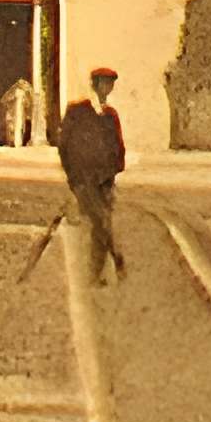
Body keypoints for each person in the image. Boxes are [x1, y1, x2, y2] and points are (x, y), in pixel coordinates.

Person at [56, 68, 130, 285]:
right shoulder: (77, 111)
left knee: (102, 224)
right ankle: (112, 263)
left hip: (104, 181)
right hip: (84, 180)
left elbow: (118, 147)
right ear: (95, 84)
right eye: (104, 83)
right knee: (100, 222)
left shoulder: (111, 115)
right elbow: (64, 145)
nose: (108, 88)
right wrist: (73, 177)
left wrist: (113, 172)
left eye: (111, 84)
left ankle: (100, 271)